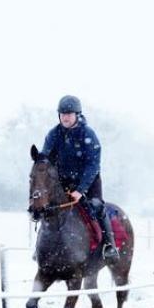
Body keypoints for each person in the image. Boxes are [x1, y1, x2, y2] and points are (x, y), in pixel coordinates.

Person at [41, 95, 119, 261]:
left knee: (96, 206)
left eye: (69, 113)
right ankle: (41, 248)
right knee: (48, 208)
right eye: (62, 114)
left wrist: (80, 190)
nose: (65, 117)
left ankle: (108, 245)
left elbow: (93, 165)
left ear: (77, 114)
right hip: (62, 183)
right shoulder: (53, 134)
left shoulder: (88, 134)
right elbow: (46, 160)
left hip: (88, 182)